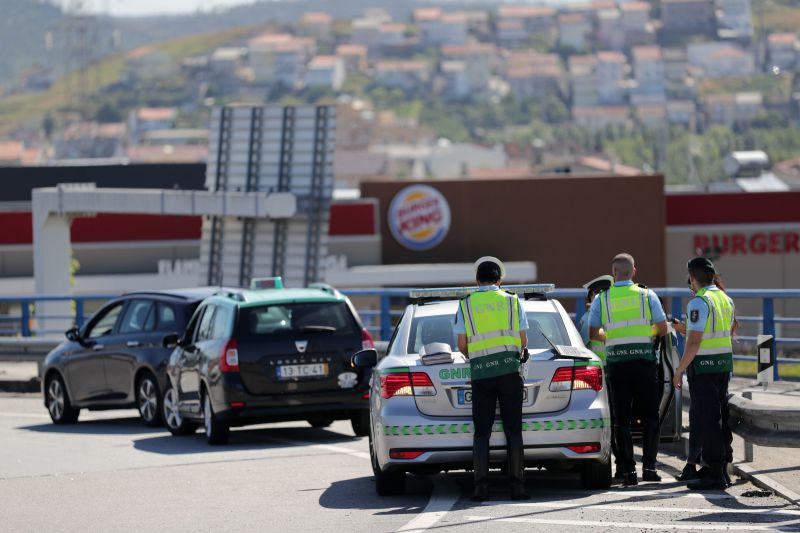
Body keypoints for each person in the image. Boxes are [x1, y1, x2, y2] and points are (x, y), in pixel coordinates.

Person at [454, 256, 530, 501]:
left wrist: (478, 355)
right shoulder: (512, 301)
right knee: (513, 431)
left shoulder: (466, 304)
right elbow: (523, 340)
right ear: (499, 281)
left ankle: (481, 489)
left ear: (477, 281)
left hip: (481, 373)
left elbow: (461, 345)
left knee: (481, 433)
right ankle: (518, 488)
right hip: (509, 372)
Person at [589, 253, 668, 486]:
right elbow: (663, 328)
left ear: (613, 273)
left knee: (621, 419)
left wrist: (612, 337)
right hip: (644, 362)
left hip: (617, 364)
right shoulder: (647, 295)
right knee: (650, 416)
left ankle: (628, 472)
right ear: (634, 271)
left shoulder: (602, 298)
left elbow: (593, 333)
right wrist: (645, 334)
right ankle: (650, 469)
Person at [673, 258, 736, 490]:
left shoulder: (699, 302)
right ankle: (719, 469)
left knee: (708, 420)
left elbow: (694, 343)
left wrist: (679, 370)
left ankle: (714, 473)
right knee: (719, 417)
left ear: (692, 278)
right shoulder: (725, 299)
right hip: (723, 364)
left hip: (703, 367)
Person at [579, 275, 624, 479]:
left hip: (601, 376)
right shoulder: (618, 314)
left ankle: (619, 463)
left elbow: (580, 347)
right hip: (618, 369)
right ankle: (623, 464)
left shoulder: (589, 317)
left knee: (609, 421)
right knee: (619, 420)